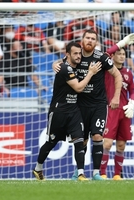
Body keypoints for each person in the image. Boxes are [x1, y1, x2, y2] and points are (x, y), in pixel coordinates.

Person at [53, 30, 134, 180]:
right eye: (88, 38)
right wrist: (55, 63)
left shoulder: (101, 58)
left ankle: (97, 173)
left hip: (99, 105)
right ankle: (78, 172)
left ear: (96, 42)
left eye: (93, 39)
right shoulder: (76, 55)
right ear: (82, 40)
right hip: (79, 105)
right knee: (82, 139)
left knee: (98, 136)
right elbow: (63, 62)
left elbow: (117, 75)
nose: (90, 41)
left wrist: (116, 97)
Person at [33, 42, 102, 181]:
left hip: (74, 110)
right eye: (75, 54)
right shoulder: (65, 68)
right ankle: (38, 168)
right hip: (59, 111)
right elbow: (78, 88)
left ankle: (81, 174)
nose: (78, 56)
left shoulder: (75, 64)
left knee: (80, 140)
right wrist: (91, 73)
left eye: (79, 53)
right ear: (68, 55)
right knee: (51, 143)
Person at [100, 48, 134, 180]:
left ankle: (117, 175)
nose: (121, 56)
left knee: (121, 145)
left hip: (124, 111)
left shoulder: (128, 73)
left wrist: (132, 102)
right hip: (110, 109)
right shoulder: (107, 70)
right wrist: (120, 44)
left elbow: (132, 90)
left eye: (123, 54)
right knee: (107, 143)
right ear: (113, 56)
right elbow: (105, 54)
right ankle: (102, 173)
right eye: (119, 54)